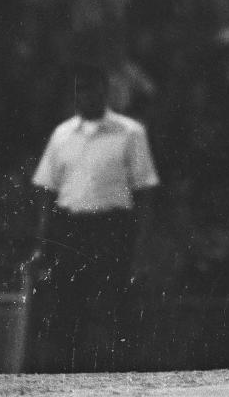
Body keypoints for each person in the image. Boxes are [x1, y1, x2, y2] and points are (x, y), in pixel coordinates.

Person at [28, 63, 160, 372]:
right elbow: (47, 191)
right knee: (66, 304)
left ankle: (116, 377)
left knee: (113, 303)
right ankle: (64, 376)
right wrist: (41, 242)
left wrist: (140, 248)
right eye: (82, 88)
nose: (88, 94)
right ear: (76, 94)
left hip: (111, 228)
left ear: (106, 91)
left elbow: (144, 192)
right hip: (70, 228)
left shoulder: (131, 132)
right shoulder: (62, 134)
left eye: (94, 87)